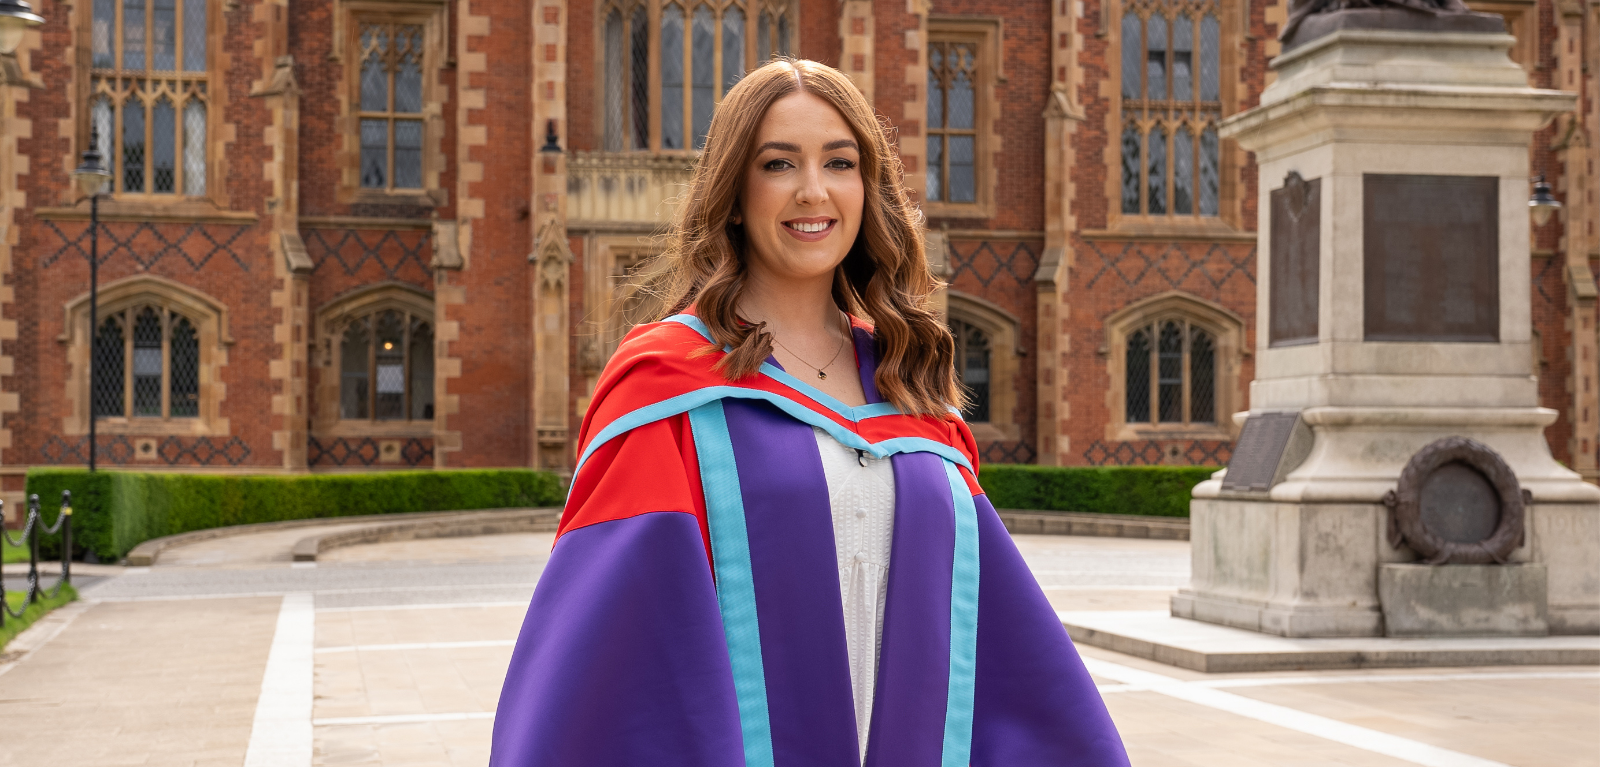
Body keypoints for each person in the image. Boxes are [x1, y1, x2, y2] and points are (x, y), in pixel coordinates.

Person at [490, 58, 1129, 767]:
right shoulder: (665, 384)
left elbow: (996, 636)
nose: (813, 190)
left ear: (867, 186)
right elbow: (608, 655)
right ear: (734, 192)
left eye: (840, 161)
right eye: (778, 163)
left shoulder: (912, 390)